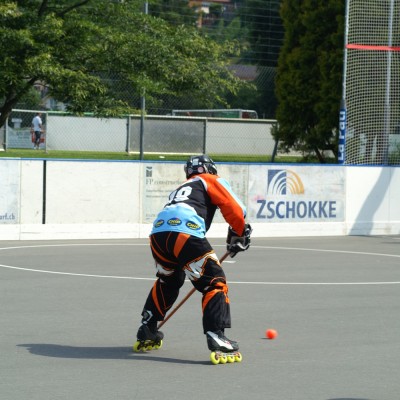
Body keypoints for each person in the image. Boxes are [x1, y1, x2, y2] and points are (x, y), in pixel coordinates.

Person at [135, 154, 252, 354]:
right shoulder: (209, 179)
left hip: (158, 235)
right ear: (210, 169)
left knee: (168, 281)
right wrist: (239, 232)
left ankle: (148, 326)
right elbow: (234, 207)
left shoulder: (181, 188)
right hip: (184, 233)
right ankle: (216, 335)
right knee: (214, 282)